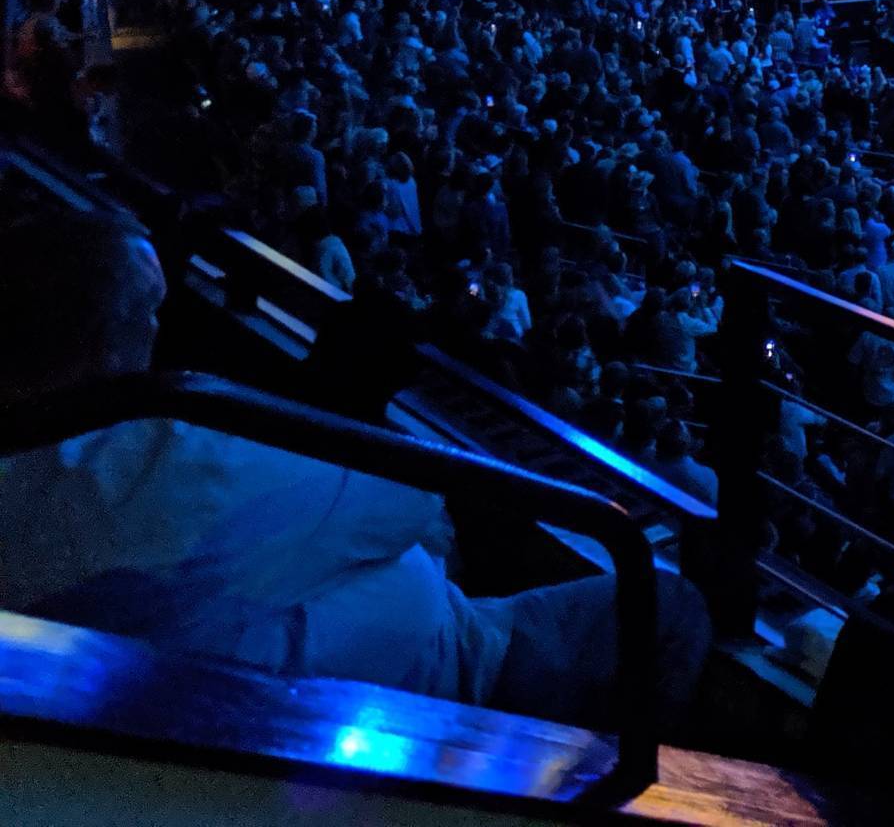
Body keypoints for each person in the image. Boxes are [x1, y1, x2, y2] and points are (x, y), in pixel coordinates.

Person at [0, 210, 709, 729]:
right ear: (106, 332)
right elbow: (410, 501)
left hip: (312, 674)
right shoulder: (158, 456)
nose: (159, 331)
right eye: (152, 312)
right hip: (449, 680)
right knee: (671, 605)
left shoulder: (53, 467)